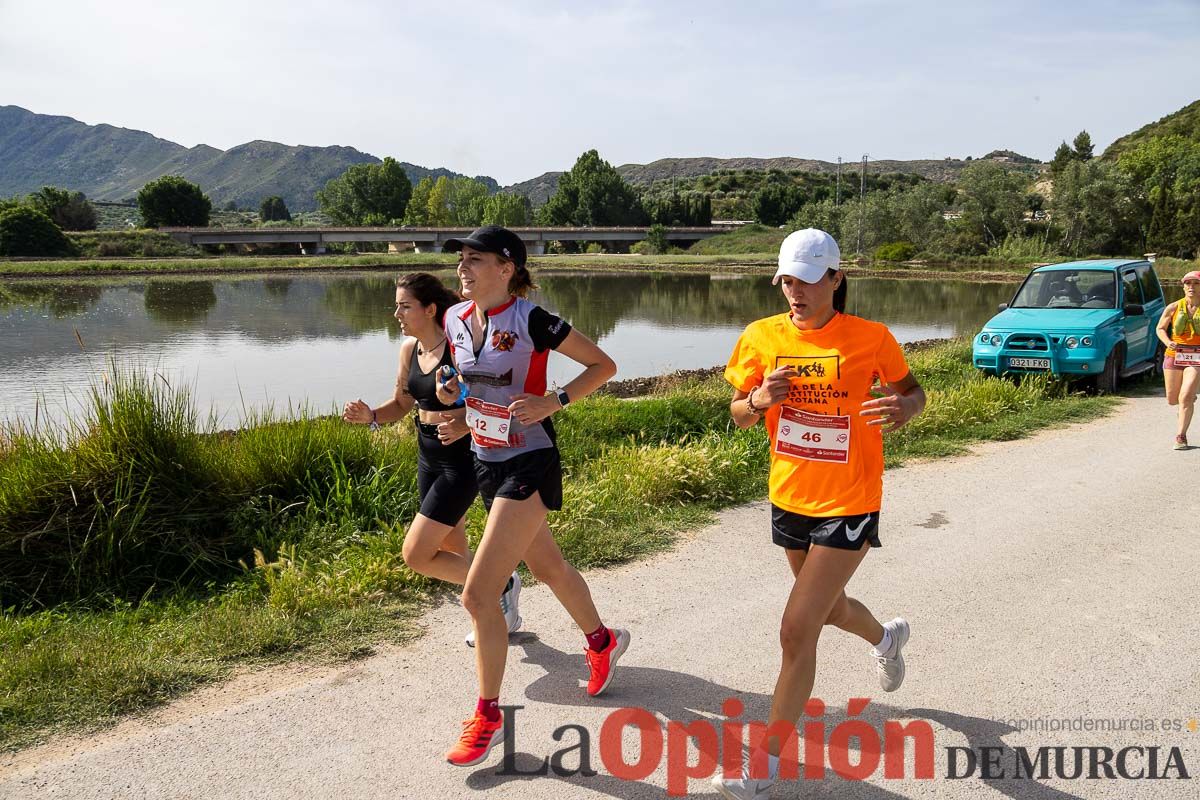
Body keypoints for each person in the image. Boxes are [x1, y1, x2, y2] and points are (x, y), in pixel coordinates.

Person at [713, 229, 927, 799]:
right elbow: (737, 413)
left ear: (836, 278)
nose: (795, 291)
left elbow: (913, 392)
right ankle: (887, 638)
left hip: (850, 500)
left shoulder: (871, 338)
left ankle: (764, 766)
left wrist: (903, 409)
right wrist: (760, 399)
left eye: (808, 280)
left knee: (795, 629)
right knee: (828, 610)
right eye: (787, 280)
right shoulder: (760, 337)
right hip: (789, 497)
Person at [434, 225, 629, 768]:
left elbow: (603, 367)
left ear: (508, 268)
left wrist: (554, 400)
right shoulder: (454, 318)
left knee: (478, 596)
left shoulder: (532, 320)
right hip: (485, 457)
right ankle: (601, 641)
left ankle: (489, 716)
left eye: (475, 260)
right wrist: (453, 399)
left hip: (530, 459)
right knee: (548, 567)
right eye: (461, 261)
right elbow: (461, 376)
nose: (463, 269)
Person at [342, 272, 522, 646]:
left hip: (462, 459)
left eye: (405, 306)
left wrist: (465, 424)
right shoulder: (409, 349)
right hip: (427, 454)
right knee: (453, 545)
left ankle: (500, 580)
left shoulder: (459, 349)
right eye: (396, 306)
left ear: (429, 309)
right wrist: (372, 415)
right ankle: (493, 611)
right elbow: (403, 404)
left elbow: (491, 402)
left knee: (417, 554)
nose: (397, 314)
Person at [1155, 270, 1200, 450]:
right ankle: (1186, 401)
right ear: (1183, 287)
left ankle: (1181, 436)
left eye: (1196, 284)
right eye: (1188, 283)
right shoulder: (1173, 307)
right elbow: (1160, 328)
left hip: (1196, 357)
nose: (1191, 287)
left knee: (1185, 395)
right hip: (1174, 355)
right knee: (1173, 399)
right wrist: (1168, 342)